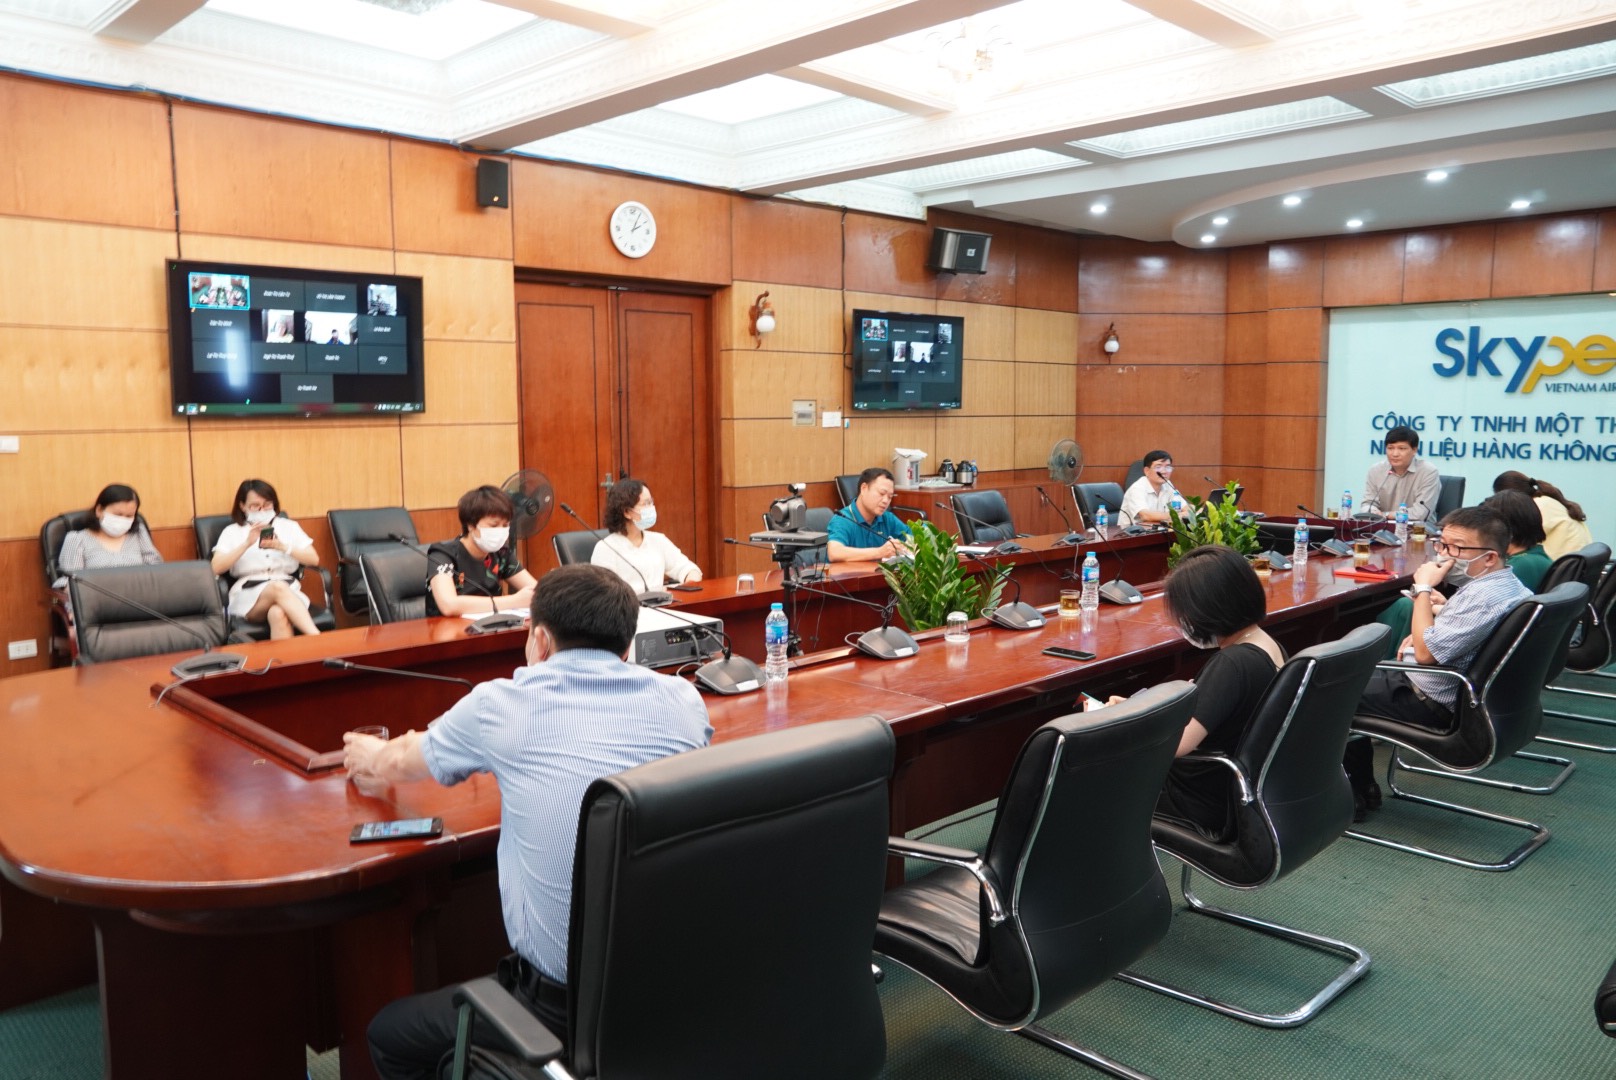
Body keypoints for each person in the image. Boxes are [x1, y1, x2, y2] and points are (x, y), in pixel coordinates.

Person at [346, 564, 712, 1080]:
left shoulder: (502, 706)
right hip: (674, 989)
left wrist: (370, 755)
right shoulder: (684, 701)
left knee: (390, 1035)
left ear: (539, 640)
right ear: (628, 645)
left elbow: (403, 762)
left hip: (560, 1011)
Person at [1346, 505, 1531, 815]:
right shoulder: (1509, 586)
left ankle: (1349, 794)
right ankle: (1362, 787)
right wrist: (1442, 612)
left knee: (1325, 691)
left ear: (1490, 558)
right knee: (1344, 678)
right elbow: (1474, 627)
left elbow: (1425, 654)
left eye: (1457, 548)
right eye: (1442, 544)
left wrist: (1423, 589)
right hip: (1447, 688)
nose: (1444, 555)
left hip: (1429, 697)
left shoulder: (1482, 598)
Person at [1116, 545, 1285, 840]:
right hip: (1234, 790)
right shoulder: (1267, 644)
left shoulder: (1232, 664)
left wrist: (1121, 719)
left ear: (1209, 610)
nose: (1185, 622)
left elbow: (1176, 744)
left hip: (1198, 799)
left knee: (1086, 776)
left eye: (1187, 613)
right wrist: (1138, 707)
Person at [210, 479, 323, 638]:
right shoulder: (233, 531)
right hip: (248, 596)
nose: (262, 510)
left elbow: (314, 559)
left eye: (267, 504)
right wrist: (246, 544)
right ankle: (318, 638)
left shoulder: (289, 527)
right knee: (277, 587)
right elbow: (215, 568)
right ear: (242, 506)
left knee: (278, 613)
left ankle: (287, 656)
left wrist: (282, 546)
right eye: (255, 506)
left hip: (289, 593)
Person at [426, 485, 538, 617]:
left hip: (492, 626)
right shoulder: (442, 554)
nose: (501, 531)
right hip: (447, 629)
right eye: (494, 525)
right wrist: (514, 601)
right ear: (471, 525)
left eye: (505, 525)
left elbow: (537, 592)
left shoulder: (501, 553)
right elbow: (449, 605)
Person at [590, 478, 702, 592]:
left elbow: (689, 569)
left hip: (663, 602)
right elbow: (604, 594)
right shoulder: (606, 548)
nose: (651, 508)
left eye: (651, 502)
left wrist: (689, 584)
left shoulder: (659, 540)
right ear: (627, 512)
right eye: (646, 504)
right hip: (628, 604)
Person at [54, 483, 163, 588]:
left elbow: (156, 568)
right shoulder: (77, 539)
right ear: (99, 510)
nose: (122, 520)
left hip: (139, 596)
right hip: (97, 599)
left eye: (129, 516)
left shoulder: (138, 533)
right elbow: (70, 582)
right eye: (118, 514)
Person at [1492, 471, 1593, 560]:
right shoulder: (1547, 501)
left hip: (1563, 566)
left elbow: (1517, 542)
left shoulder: (1538, 506)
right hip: (1574, 565)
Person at [826, 467, 911, 562]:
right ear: (864, 488)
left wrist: (905, 547)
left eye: (890, 497)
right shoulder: (842, 519)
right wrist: (880, 552)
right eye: (881, 493)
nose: (886, 501)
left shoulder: (887, 518)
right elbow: (834, 553)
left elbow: (914, 537)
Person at [1361, 425, 1441, 521]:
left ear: (1414, 450)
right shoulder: (1376, 470)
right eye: (1390, 448)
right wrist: (1372, 512)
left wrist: (1385, 515)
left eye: (1402, 448)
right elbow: (1368, 503)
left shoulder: (1428, 472)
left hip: (1417, 528)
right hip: (1381, 526)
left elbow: (1420, 513)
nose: (1395, 454)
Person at [1120, 449, 1187, 526]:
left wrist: (1187, 512)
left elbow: (1187, 508)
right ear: (1146, 471)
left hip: (1159, 530)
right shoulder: (1137, 488)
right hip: (1131, 532)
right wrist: (1177, 515)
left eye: (1168, 467)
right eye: (1158, 467)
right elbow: (1146, 516)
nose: (1164, 471)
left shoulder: (1167, 484)